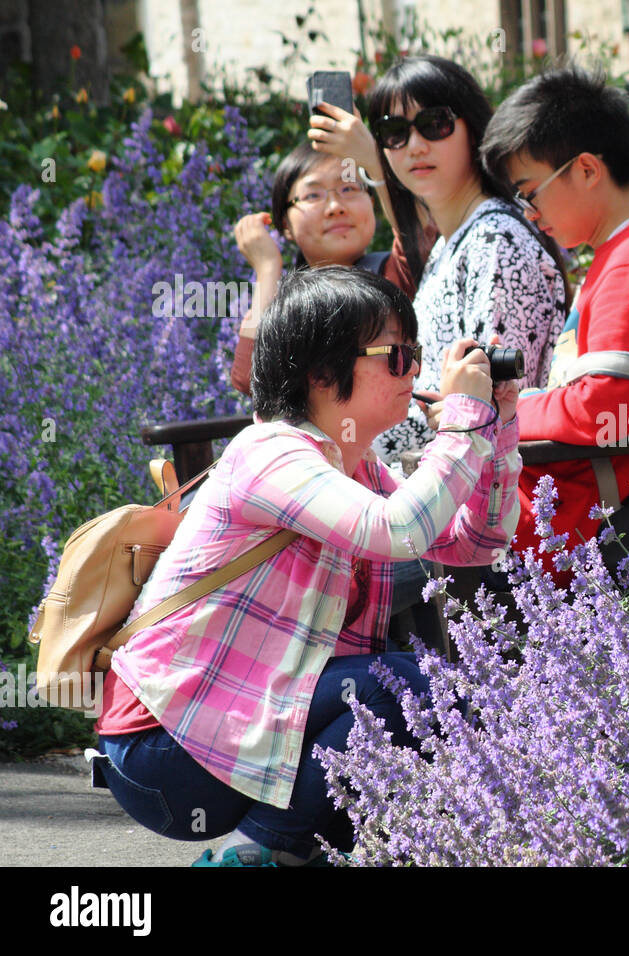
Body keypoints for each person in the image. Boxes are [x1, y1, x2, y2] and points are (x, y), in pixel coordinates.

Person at [91, 267, 520, 866]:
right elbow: (399, 529)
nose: (416, 371)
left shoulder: (358, 464)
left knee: (404, 690)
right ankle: (253, 855)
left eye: (415, 354)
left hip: (241, 736)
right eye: (396, 356)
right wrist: (463, 425)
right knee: (404, 684)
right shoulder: (271, 453)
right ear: (319, 371)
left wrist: (495, 430)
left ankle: (286, 853)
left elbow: (477, 541)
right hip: (164, 750)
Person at [480, 67, 629, 580]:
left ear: (586, 169)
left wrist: (495, 414)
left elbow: (605, 413)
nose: (529, 214)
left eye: (529, 192)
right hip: (574, 500)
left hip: (576, 523)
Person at [308, 55, 568, 466]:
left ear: (472, 128)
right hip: (426, 472)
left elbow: (487, 406)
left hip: (469, 490)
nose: (414, 146)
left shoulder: (496, 241)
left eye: (434, 124)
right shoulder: (454, 242)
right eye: (394, 132)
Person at [229, 143, 416, 396]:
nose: (335, 207)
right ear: (285, 224)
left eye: (349, 188)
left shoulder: (399, 273)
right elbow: (253, 378)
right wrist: (268, 269)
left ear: (373, 202)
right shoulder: (292, 306)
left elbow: (414, 227)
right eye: (313, 195)